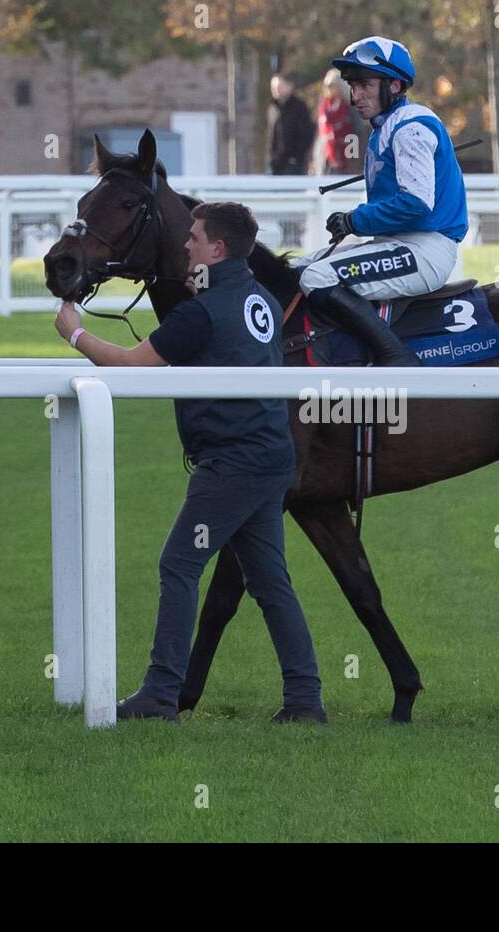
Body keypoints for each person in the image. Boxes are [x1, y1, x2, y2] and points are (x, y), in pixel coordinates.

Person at [53, 201, 327, 724]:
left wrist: (74, 333)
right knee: (270, 582)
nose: (185, 244)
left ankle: (160, 694)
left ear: (217, 249)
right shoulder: (260, 299)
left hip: (232, 464)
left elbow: (133, 367)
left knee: (178, 565)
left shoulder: (200, 313)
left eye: (195, 238)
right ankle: (304, 700)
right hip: (269, 457)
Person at [291, 35, 469, 367]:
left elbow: (415, 203)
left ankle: (395, 358)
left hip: (424, 251)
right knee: (295, 269)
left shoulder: (410, 128)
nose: (355, 95)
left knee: (317, 278)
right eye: (352, 86)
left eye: (364, 86)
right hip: (397, 245)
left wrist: (355, 220)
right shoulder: (383, 129)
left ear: (396, 85)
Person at [269, 74, 316, 175]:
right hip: (276, 163)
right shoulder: (273, 109)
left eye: (279, 87)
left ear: (290, 86)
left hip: (294, 163)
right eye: (274, 88)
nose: (276, 91)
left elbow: (307, 134)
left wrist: (297, 156)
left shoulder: (299, 107)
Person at [317, 69, 359, 175]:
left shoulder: (350, 108)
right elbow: (320, 136)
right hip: (326, 159)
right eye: (326, 84)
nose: (328, 88)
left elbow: (356, 133)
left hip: (346, 159)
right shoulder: (323, 109)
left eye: (331, 84)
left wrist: (353, 159)